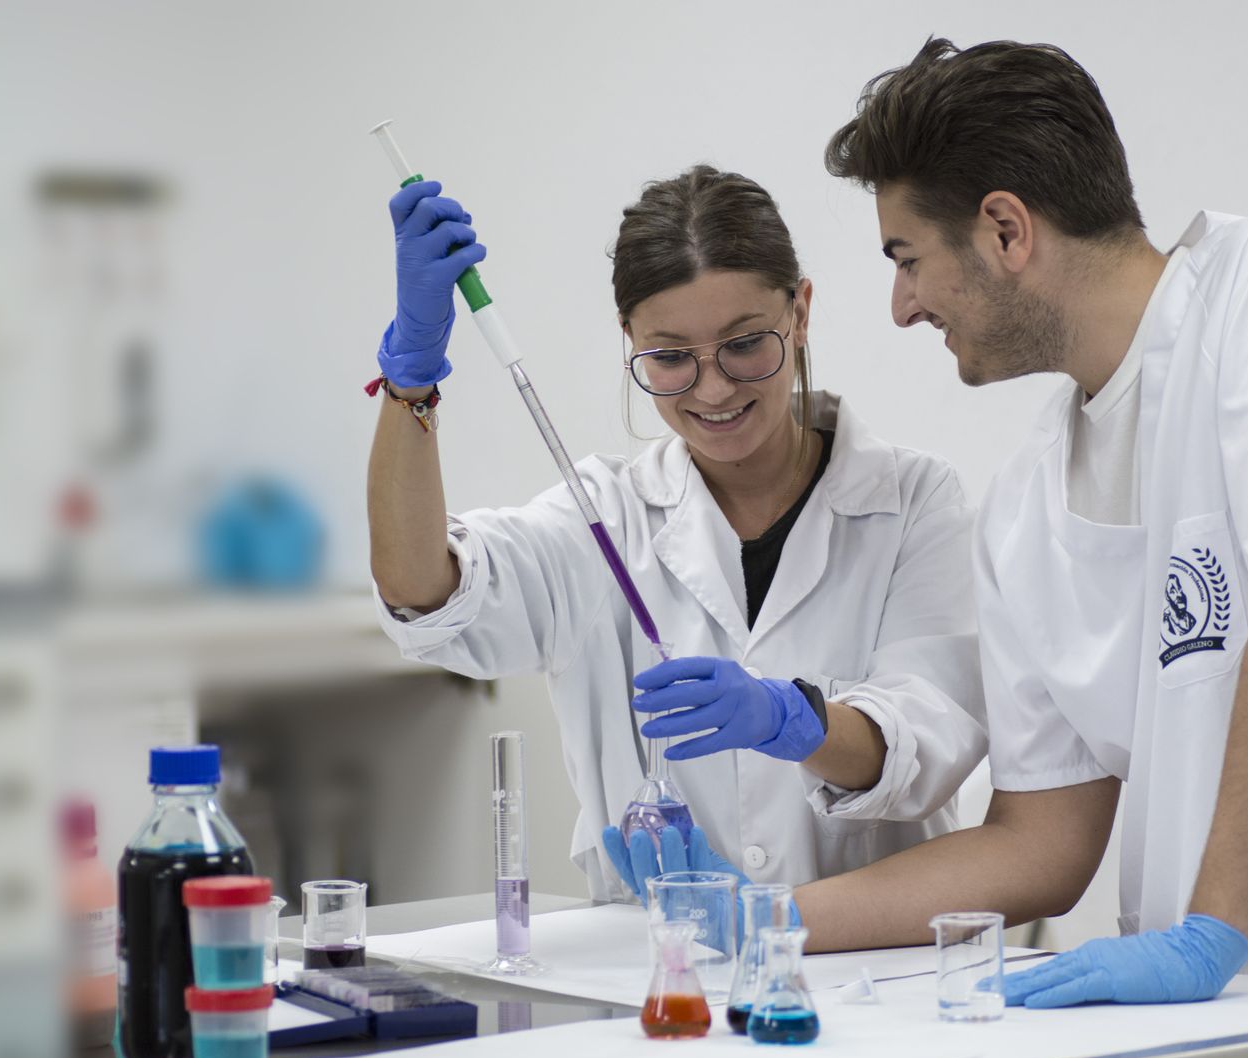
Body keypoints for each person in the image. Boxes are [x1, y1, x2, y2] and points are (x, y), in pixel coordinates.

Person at [605, 39, 1248, 1058]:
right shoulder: (1030, 502)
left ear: (1003, 229)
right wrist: (770, 920)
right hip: (1215, 1023)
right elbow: (1042, 843)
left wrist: (1208, 937)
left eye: (906, 258)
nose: (901, 305)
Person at [369, 164, 987, 900]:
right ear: (629, 339)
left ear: (801, 313)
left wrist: (797, 721)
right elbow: (422, 591)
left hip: (869, 975)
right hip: (661, 978)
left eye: (745, 342)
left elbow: (928, 742)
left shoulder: (912, 503)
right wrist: (412, 381)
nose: (714, 387)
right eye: (669, 357)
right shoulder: (603, 516)